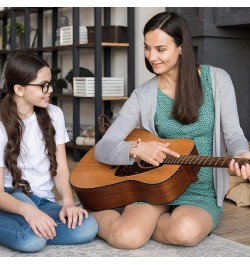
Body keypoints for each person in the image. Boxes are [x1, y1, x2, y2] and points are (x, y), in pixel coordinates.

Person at [92, 11, 250, 249]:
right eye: (147, 48)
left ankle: (138, 221)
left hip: (201, 191)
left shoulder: (217, 80)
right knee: (126, 238)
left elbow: (234, 135)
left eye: (160, 49)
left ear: (181, 47)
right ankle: (88, 214)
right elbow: (102, 148)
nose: (151, 57)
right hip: (153, 187)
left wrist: (241, 153)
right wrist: (136, 148)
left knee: (184, 233)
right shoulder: (143, 95)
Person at [0, 51, 98, 252]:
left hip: (43, 201)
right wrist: (28, 211)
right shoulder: (1, 125)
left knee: (87, 228)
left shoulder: (54, 114)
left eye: (50, 83)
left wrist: (69, 203)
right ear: (19, 89)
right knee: (31, 240)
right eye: (43, 85)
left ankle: (30, 228)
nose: (50, 89)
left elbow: (61, 169)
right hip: (12, 198)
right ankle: (25, 226)